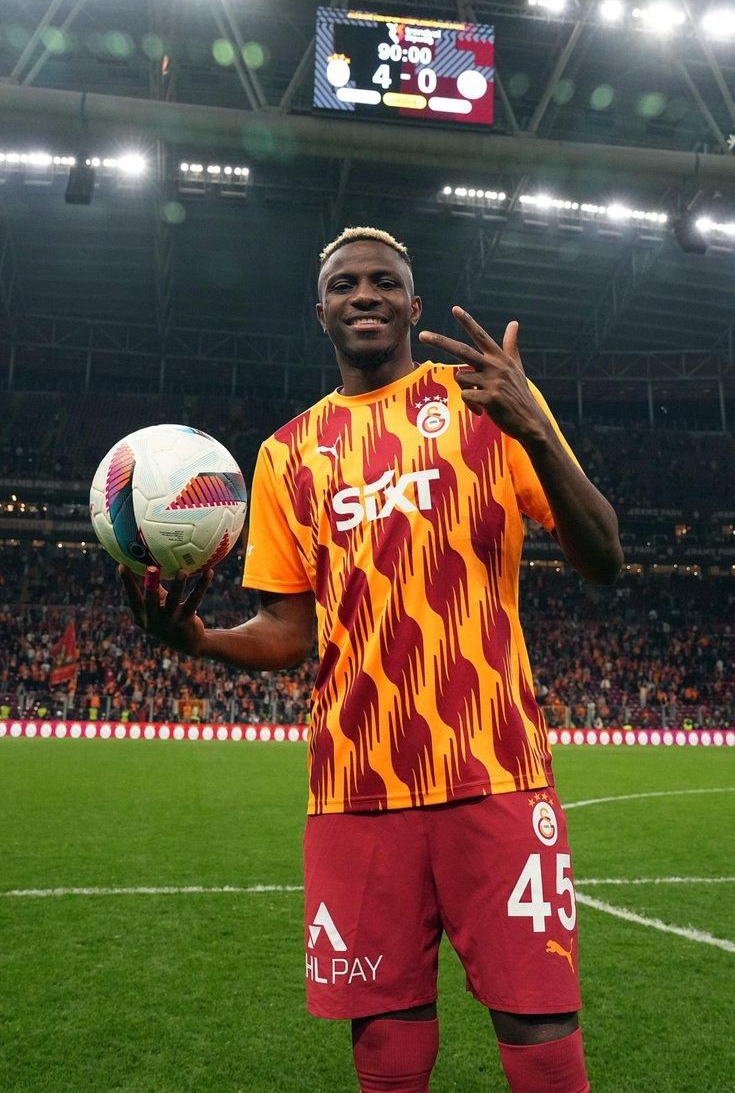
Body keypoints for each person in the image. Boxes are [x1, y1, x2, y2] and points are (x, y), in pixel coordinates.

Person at [121, 226, 623, 1093]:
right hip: (354, 785)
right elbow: (289, 629)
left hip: (493, 768)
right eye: (344, 284)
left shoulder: (484, 400)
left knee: (538, 1022)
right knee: (385, 1036)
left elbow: (603, 556)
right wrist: (201, 640)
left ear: (413, 305)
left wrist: (536, 429)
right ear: (319, 311)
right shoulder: (287, 453)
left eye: (383, 282)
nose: (364, 294)